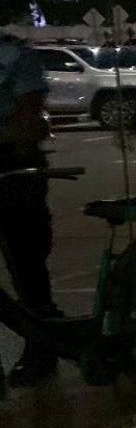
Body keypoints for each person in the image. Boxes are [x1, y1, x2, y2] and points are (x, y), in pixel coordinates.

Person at [0, 31, 58, 386]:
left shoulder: (13, 54)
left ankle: (42, 344)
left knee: (26, 265)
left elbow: (28, 110)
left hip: (12, 167)